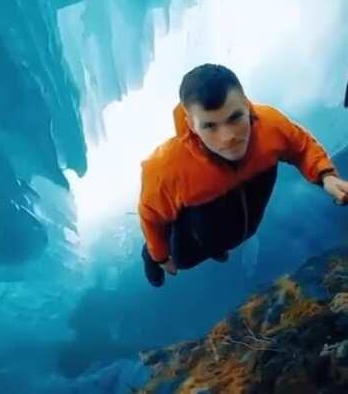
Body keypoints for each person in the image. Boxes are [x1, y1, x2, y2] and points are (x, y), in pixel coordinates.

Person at [138, 64, 348, 287]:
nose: (228, 136)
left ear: (246, 105)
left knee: (222, 240)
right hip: (191, 247)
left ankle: (219, 246)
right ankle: (149, 257)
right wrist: (159, 255)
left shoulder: (270, 125)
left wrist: (326, 176)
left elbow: (301, 147)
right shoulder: (166, 168)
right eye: (209, 126)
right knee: (183, 258)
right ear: (191, 124)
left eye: (235, 117)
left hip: (239, 229)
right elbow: (152, 216)